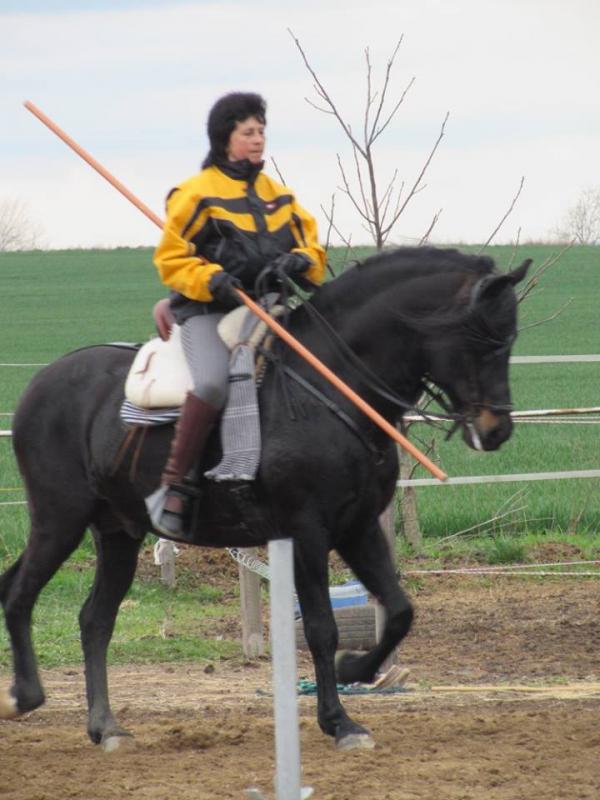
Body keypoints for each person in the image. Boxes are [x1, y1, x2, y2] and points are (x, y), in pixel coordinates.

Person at [146, 91, 327, 539]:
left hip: (267, 309)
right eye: (248, 132)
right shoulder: (194, 194)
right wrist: (213, 280)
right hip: (209, 311)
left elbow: (313, 248)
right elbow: (171, 260)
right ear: (225, 138)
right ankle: (177, 484)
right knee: (211, 382)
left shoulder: (279, 196)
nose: (258, 139)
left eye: (261, 131)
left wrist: (300, 261)